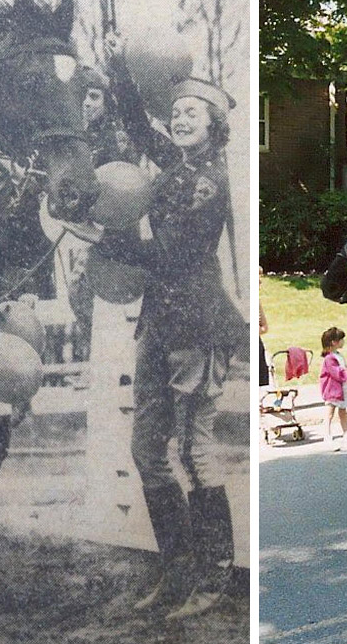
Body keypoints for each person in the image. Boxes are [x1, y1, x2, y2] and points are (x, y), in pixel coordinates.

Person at [94, 32, 244, 620]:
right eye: (176, 112)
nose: (181, 120)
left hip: (199, 326)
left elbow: (175, 256)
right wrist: (118, 66)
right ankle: (177, 571)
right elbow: (136, 125)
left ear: (213, 125)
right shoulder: (171, 167)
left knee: (194, 450)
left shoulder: (207, 181)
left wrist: (110, 239)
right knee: (145, 451)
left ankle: (215, 577)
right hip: (159, 324)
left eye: (193, 113)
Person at [318, 327, 347, 451]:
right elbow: (338, 373)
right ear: (334, 342)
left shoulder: (337, 356)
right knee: (330, 413)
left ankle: (346, 435)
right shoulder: (330, 358)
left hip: (341, 389)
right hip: (332, 390)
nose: (343, 341)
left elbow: (343, 369)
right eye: (341, 339)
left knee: (343, 412)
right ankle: (327, 435)